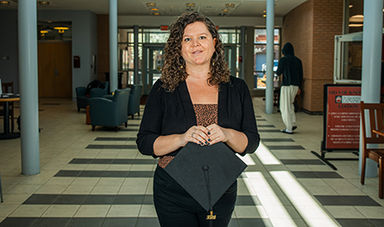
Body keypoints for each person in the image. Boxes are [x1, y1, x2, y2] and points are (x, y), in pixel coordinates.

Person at [136, 12, 260, 227]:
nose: (195, 44)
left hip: (220, 188)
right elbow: (145, 143)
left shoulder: (237, 88)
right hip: (172, 190)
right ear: (179, 47)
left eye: (202, 37)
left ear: (214, 42)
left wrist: (227, 134)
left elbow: (251, 142)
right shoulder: (164, 88)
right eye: (187, 39)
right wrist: (182, 138)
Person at [275, 42, 303, 134]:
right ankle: (292, 123)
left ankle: (289, 128)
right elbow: (301, 75)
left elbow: (279, 72)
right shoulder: (298, 60)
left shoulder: (283, 60)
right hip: (295, 86)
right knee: (290, 105)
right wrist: (299, 87)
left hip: (286, 86)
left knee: (284, 107)